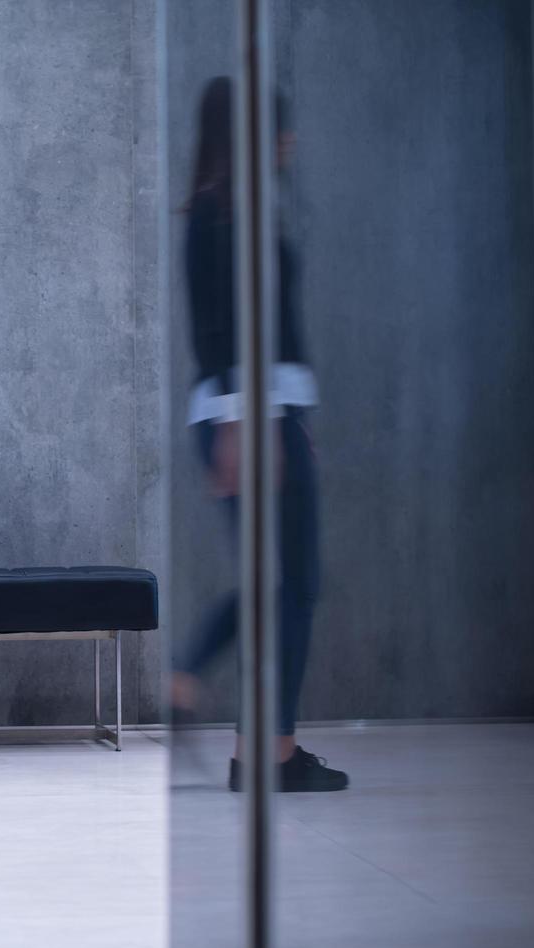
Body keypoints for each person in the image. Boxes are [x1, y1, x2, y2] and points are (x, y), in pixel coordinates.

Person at [171, 76, 348, 792]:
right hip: (249, 415)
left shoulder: (227, 211)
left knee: (279, 583)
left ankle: (254, 747)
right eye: (279, 127)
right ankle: (250, 733)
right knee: (293, 584)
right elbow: (220, 332)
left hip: (260, 413)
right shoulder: (222, 216)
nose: (291, 140)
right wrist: (248, 427)